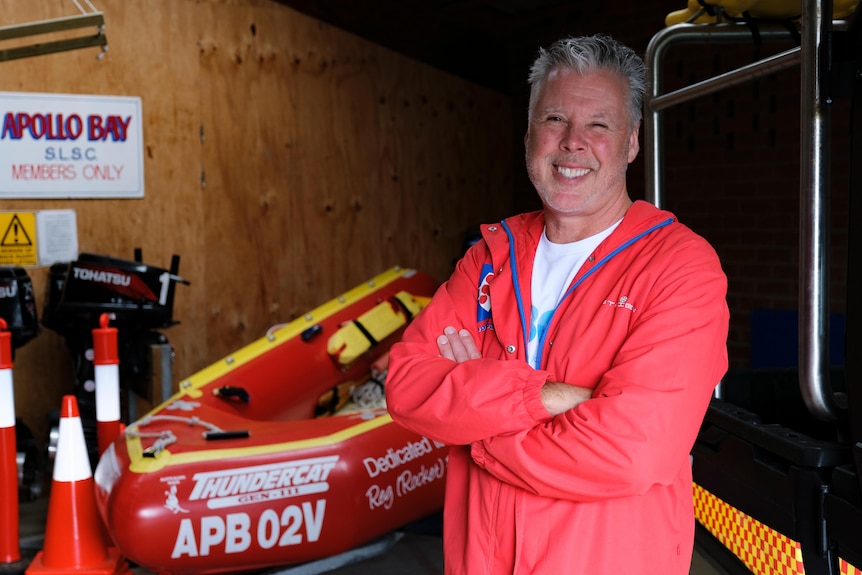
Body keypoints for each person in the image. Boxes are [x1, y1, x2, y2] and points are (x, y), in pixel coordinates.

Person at [385, 33, 729, 574]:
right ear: (529, 136)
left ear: (631, 143)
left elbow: (630, 452)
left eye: (599, 124)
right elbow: (406, 386)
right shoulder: (489, 258)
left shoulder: (679, 266)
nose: (572, 142)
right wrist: (555, 398)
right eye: (554, 120)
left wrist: (474, 416)